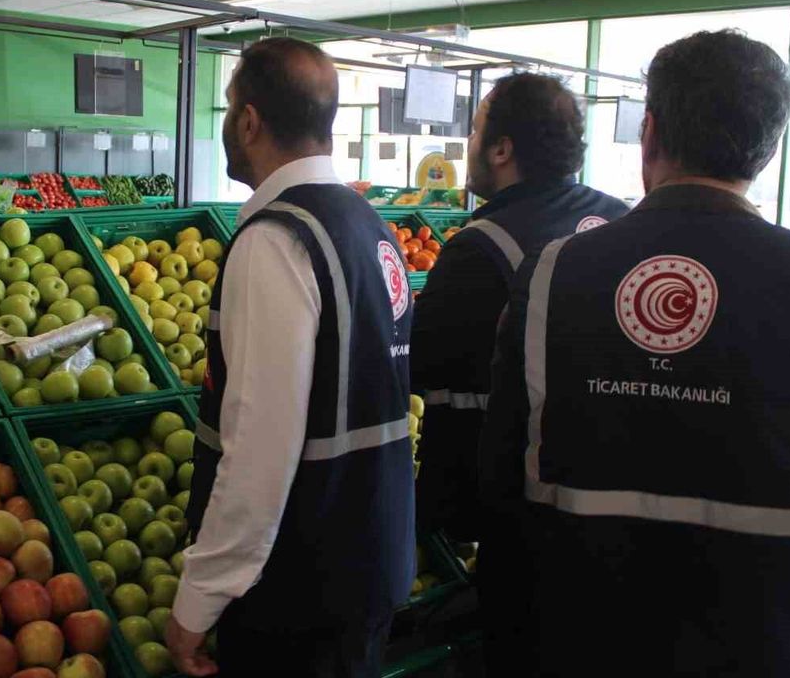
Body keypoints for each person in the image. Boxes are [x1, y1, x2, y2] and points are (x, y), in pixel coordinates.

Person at [481, 29, 790, 676]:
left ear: (648, 134)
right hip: (786, 651)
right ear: (770, 149)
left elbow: (497, 490)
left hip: (582, 641)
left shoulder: (549, 275)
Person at [168, 37, 416, 677]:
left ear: (249, 120)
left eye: (230, 108)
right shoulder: (369, 225)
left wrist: (198, 601)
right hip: (369, 561)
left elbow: (260, 446)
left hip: (300, 590)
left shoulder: (278, 238)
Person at [409, 72, 627, 665]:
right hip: (618, 511)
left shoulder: (481, 247)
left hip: (525, 525)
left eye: (476, 129)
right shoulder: (621, 220)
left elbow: (425, 374)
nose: (470, 143)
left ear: (502, 149)